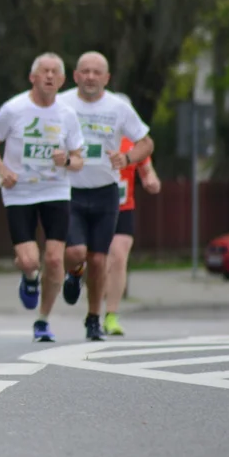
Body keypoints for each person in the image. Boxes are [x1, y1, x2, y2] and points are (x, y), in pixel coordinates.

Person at [0, 52, 85, 343]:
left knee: (54, 260)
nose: (50, 76)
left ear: (62, 80)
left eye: (55, 73)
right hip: (20, 192)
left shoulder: (67, 114)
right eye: (44, 71)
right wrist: (2, 169)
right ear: (33, 77)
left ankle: (43, 320)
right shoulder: (14, 109)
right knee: (29, 261)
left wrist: (65, 162)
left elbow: (79, 160)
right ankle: (28, 279)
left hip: (55, 191)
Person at [57, 54, 154, 341]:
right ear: (75, 76)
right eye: (85, 71)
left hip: (105, 193)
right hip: (69, 190)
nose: (90, 77)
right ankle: (74, 273)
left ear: (106, 78)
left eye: (96, 72)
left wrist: (126, 158)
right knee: (75, 252)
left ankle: (93, 318)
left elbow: (146, 142)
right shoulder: (61, 104)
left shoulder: (118, 107)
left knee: (99, 261)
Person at [103, 99, 161, 336]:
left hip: (123, 208)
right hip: (92, 207)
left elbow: (148, 172)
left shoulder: (133, 144)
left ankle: (111, 315)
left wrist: (152, 182)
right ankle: (93, 304)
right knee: (93, 259)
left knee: (118, 257)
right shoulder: (93, 139)